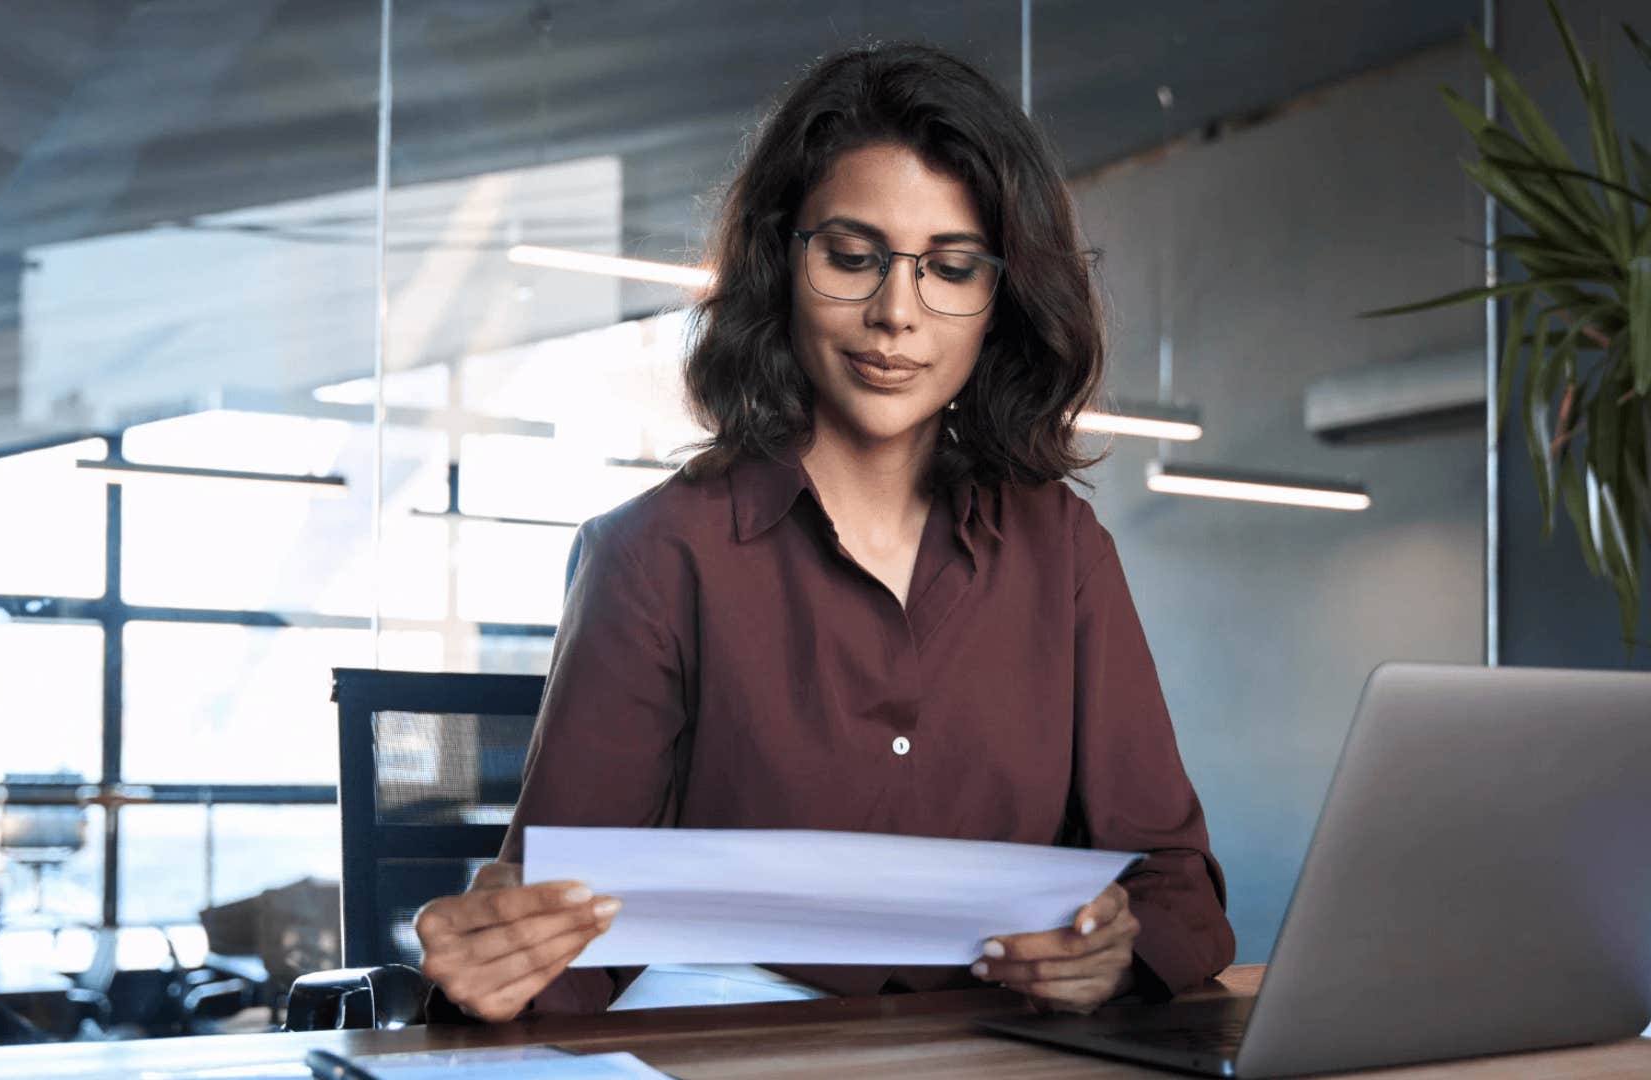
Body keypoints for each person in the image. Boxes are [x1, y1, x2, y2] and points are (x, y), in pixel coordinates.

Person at [413, 41, 1234, 1023]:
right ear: (781, 264)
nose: (897, 314)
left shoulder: (1064, 554)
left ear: (998, 300)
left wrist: (1116, 953)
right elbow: (560, 941)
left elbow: (1178, 886)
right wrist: (494, 967)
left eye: (952, 267)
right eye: (852, 257)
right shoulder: (656, 555)